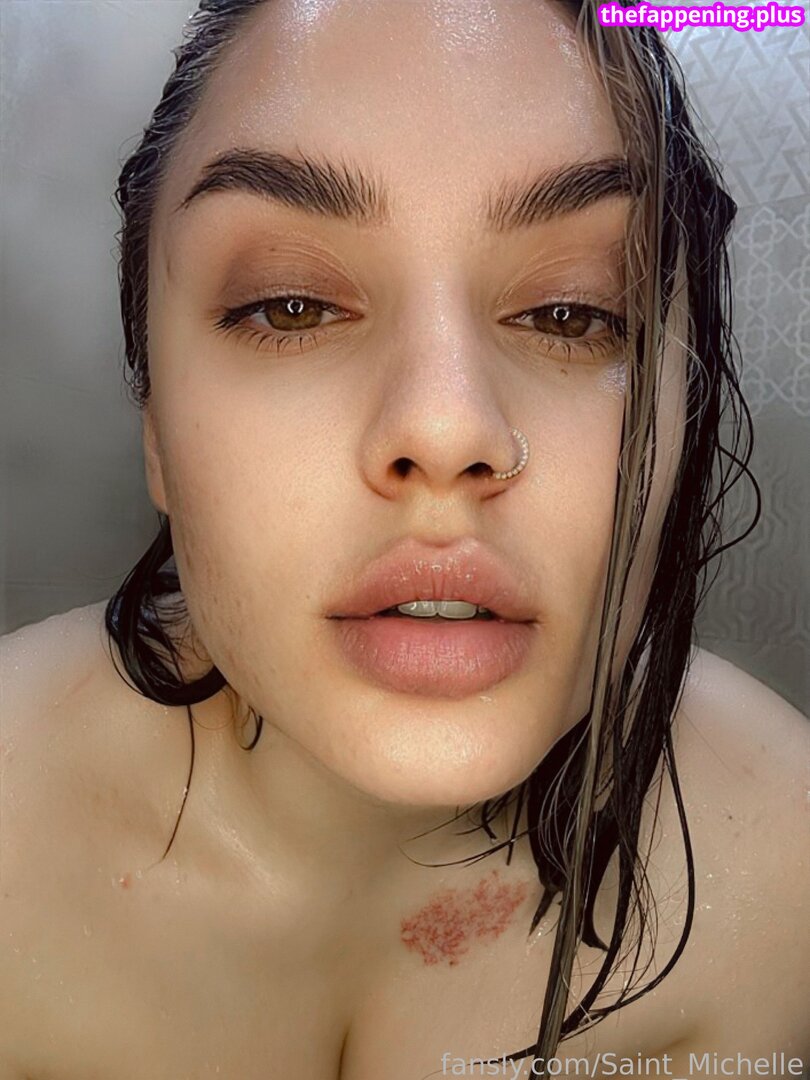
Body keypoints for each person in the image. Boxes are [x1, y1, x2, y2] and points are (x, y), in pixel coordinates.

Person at [0, 0, 807, 1077]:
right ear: (156, 426)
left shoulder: (781, 870)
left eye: (571, 313)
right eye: (291, 305)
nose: (444, 427)